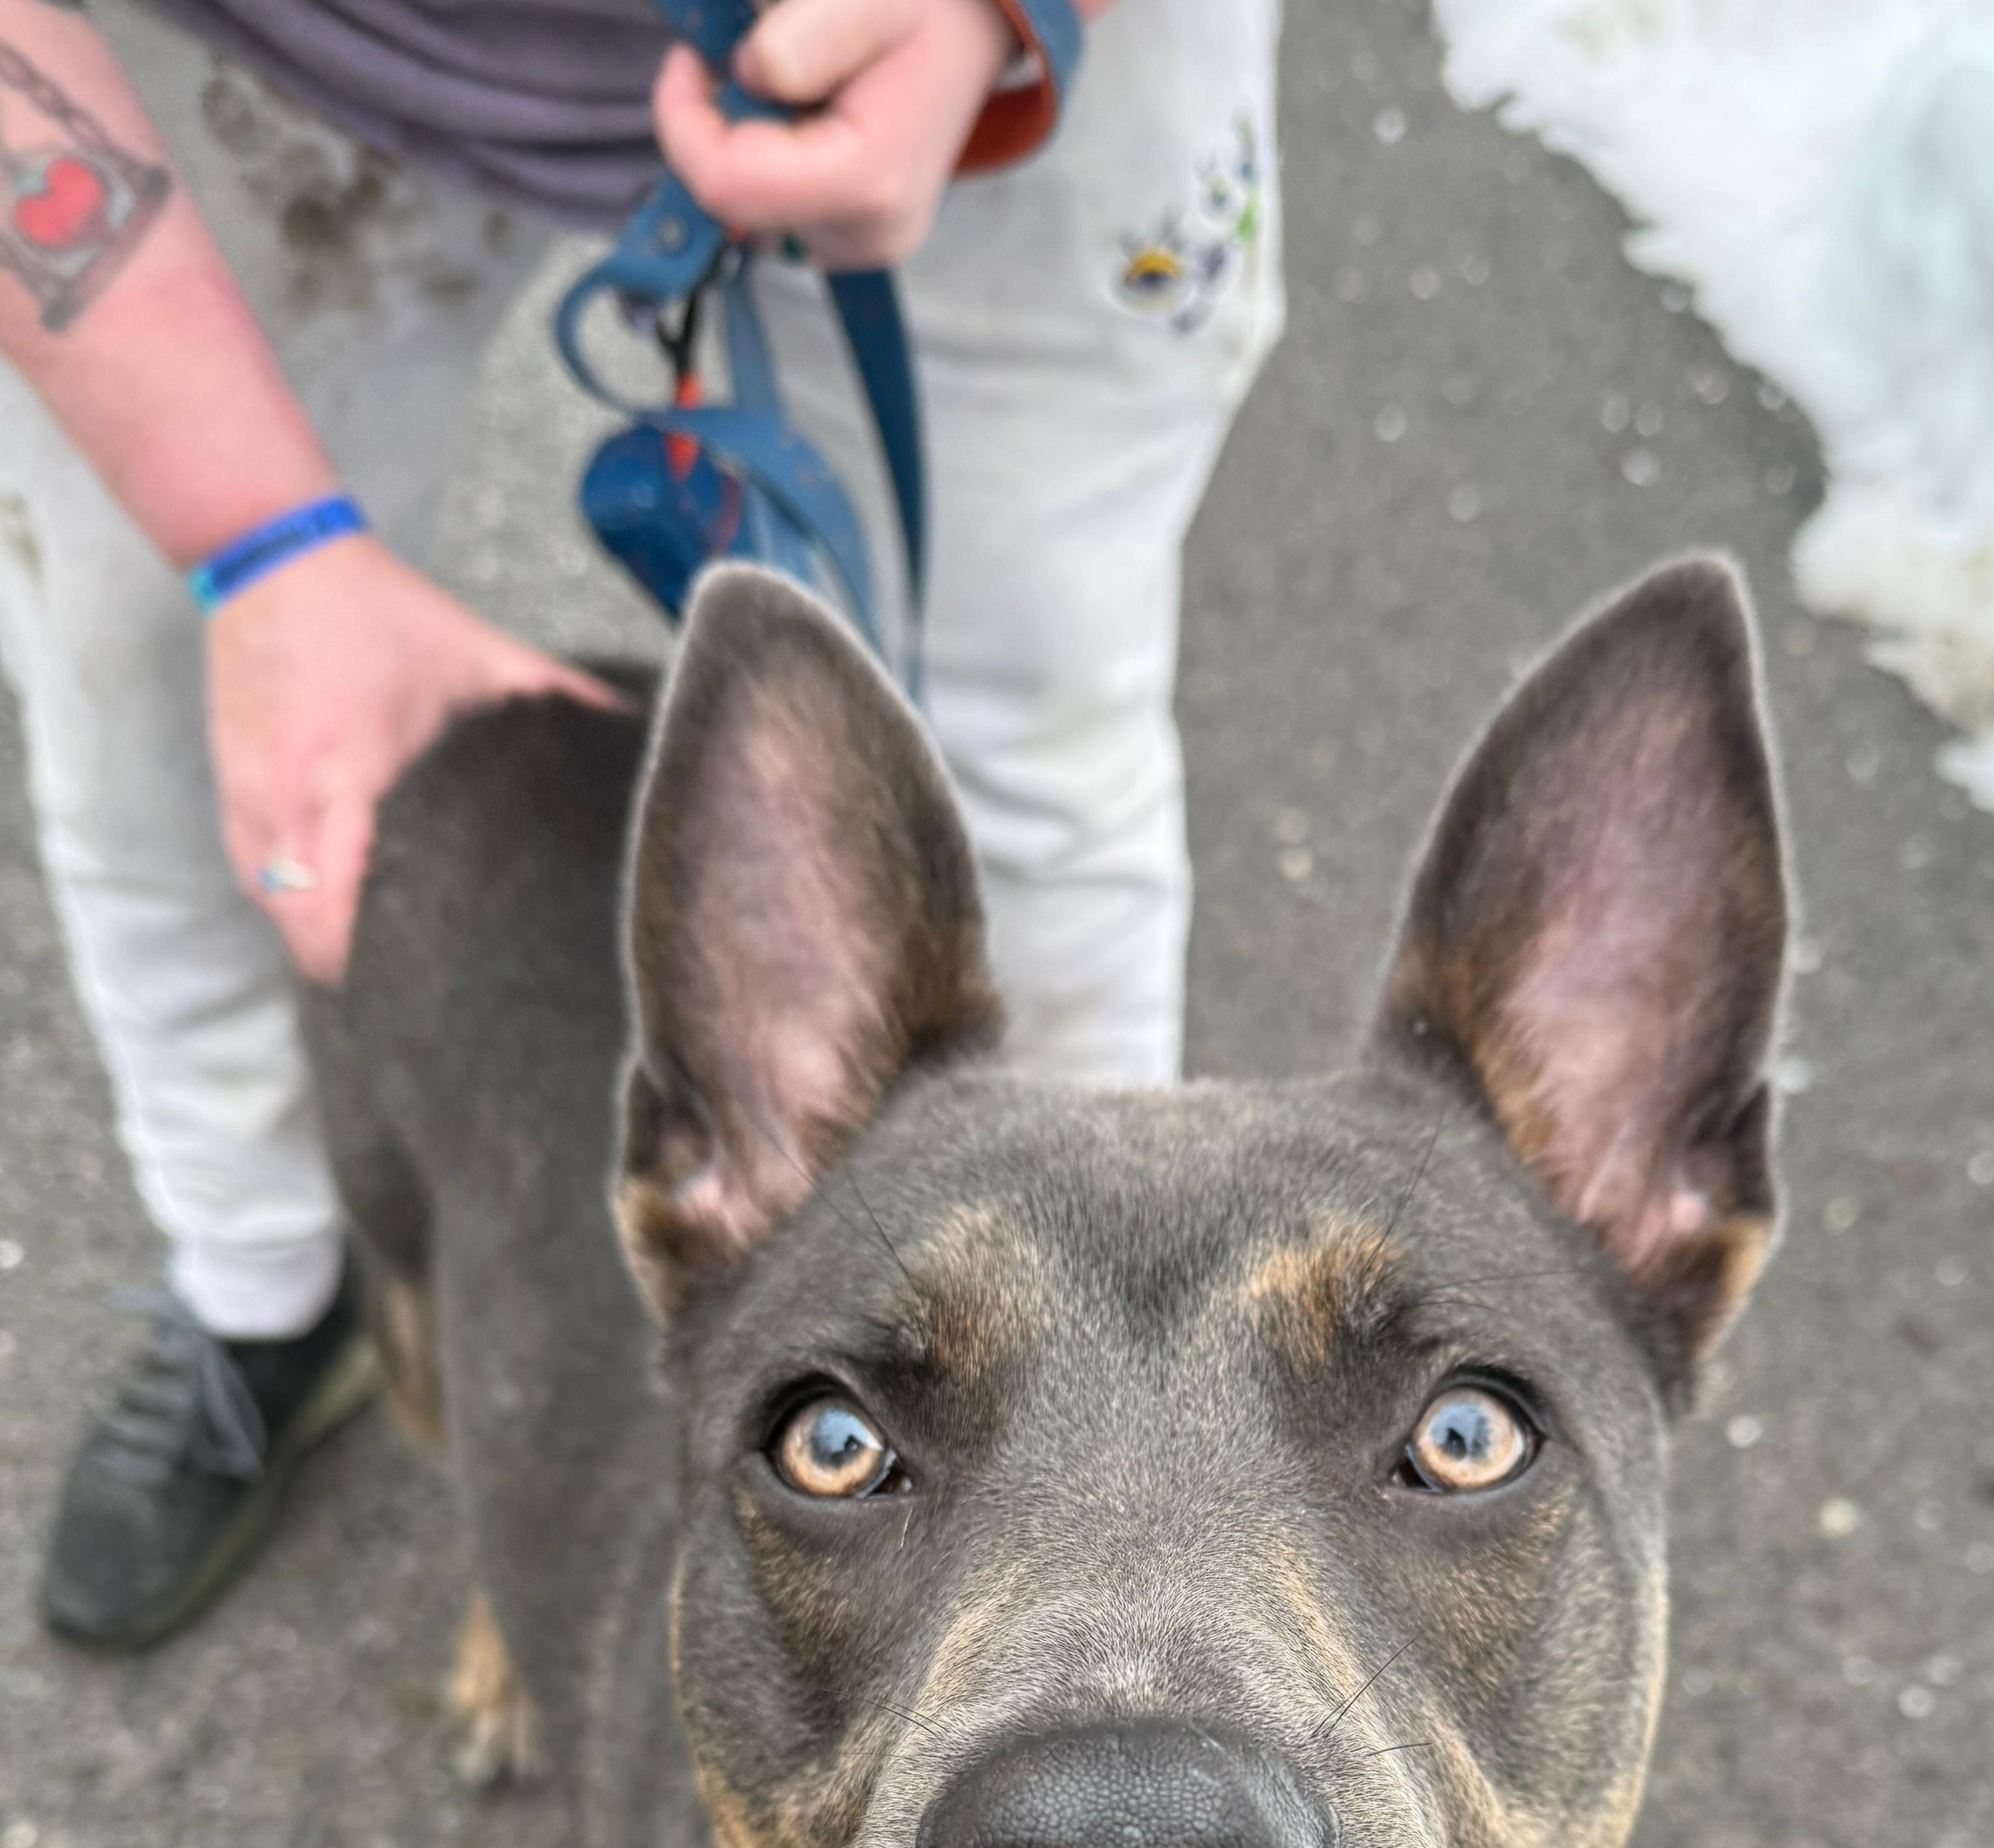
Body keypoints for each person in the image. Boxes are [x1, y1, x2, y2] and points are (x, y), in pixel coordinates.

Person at [0, 0, 1279, 1647]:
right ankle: (265, 1282)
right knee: (157, 701)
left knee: (1020, 766)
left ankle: (1086, 1403)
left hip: (1001, 76)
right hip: (282, 39)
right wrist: (254, 543)